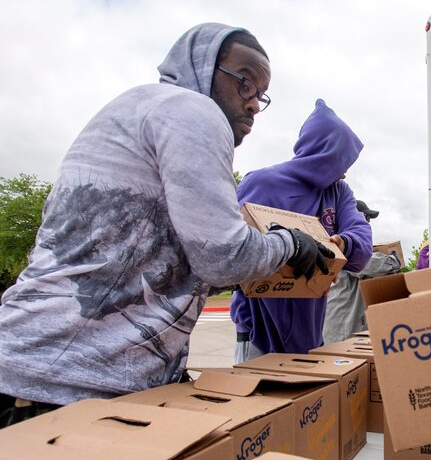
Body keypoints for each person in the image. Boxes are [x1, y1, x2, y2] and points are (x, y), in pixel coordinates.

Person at [0, 23, 332, 426]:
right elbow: (224, 257)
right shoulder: (191, 110)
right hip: (66, 384)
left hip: (44, 371)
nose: (252, 105)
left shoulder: (143, 109)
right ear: (201, 67)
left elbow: (179, 265)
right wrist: (290, 244)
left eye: (261, 94)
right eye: (244, 81)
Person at [231, 99, 372, 360]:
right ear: (323, 153)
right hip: (258, 332)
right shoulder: (261, 184)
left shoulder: (338, 193)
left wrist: (344, 243)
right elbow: (230, 248)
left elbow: (362, 247)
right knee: (257, 400)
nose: (345, 172)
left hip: (311, 331)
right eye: (342, 161)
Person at [322, 200, 401, 344]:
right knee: (344, 363)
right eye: (367, 218)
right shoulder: (345, 244)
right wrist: (394, 260)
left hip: (343, 322)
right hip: (342, 326)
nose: (368, 223)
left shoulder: (343, 241)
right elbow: (369, 264)